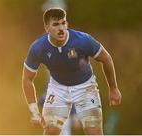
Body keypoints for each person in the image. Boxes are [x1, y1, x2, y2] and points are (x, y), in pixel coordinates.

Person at [22, 7, 122, 135]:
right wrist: (34, 111)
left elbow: (106, 59)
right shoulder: (38, 48)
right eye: (56, 24)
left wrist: (113, 88)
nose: (61, 28)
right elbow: (27, 78)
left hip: (85, 87)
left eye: (63, 23)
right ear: (46, 28)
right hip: (57, 88)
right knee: (50, 131)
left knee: (94, 133)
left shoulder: (83, 40)